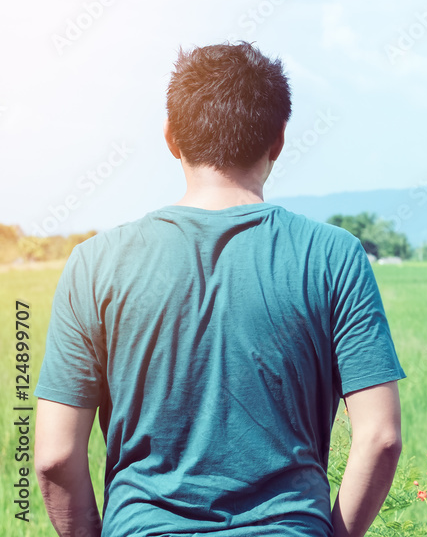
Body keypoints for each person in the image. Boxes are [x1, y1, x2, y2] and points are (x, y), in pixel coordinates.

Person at [34, 42, 406, 537]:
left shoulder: (94, 263)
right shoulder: (333, 255)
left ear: (171, 137)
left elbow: (56, 457)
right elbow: (380, 437)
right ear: (278, 139)